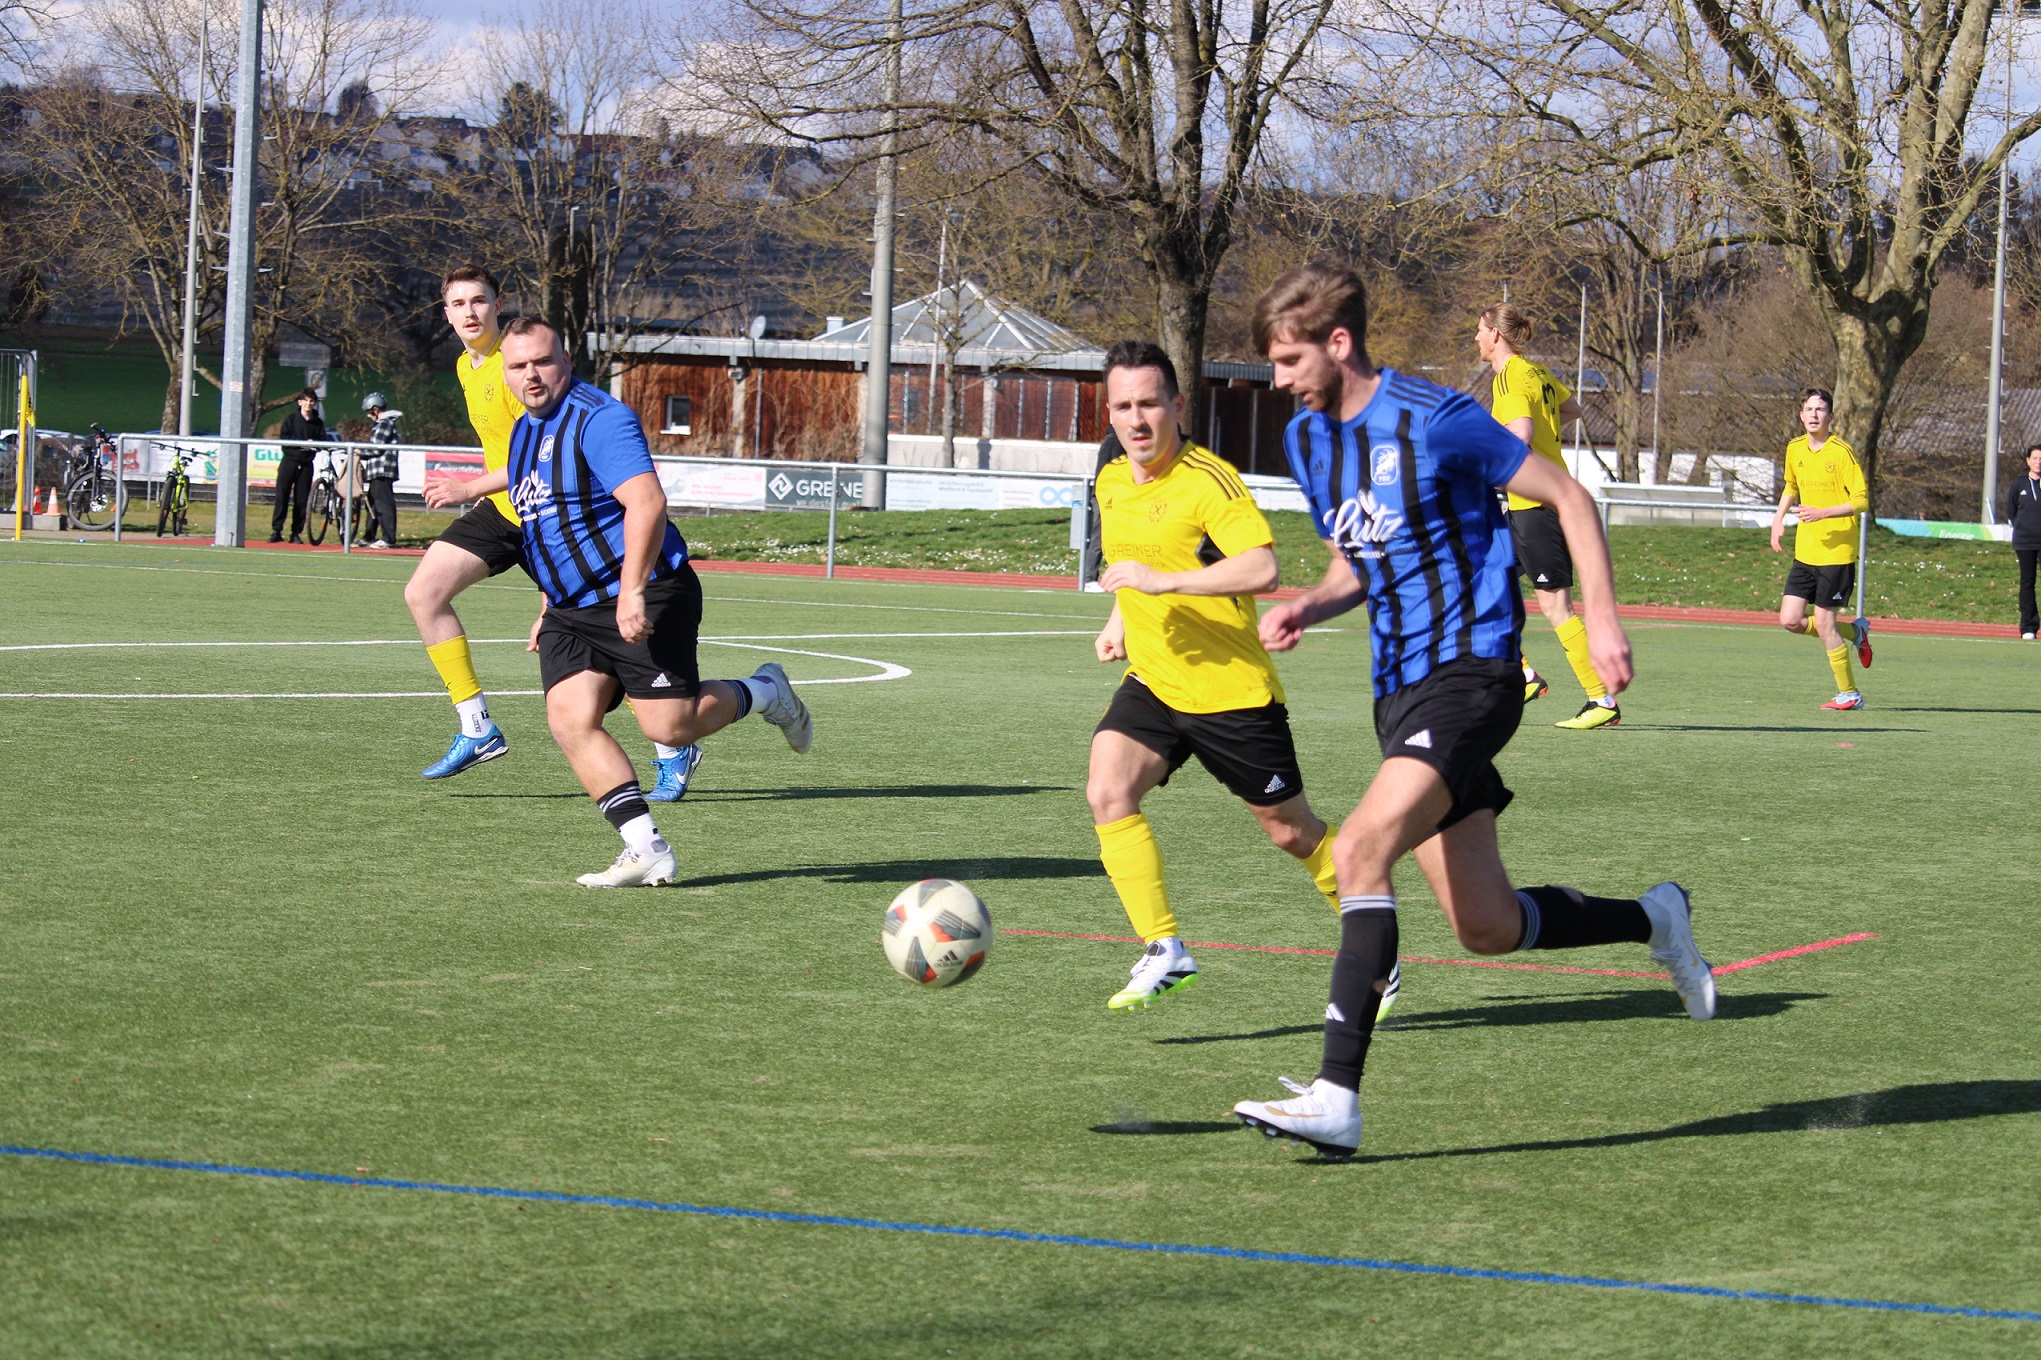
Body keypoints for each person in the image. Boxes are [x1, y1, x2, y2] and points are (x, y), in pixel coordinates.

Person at [1226, 263, 1714, 1158]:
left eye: (1289, 360)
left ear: (1338, 343)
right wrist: (1309, 604)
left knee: (1360, 849)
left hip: (1473, 674)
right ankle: (1655, 918)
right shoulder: (1307, 441)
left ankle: (1336, 1096)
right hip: (1397, 693)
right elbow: (1356, 562)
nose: (1279, 379)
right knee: (1486, 927)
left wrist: (1603, 618)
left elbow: (1570, 498)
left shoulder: (1437, 418)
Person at [1085, 339, 1395, 1016]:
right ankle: (1164, 948)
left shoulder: (1208, 480)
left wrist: (1160, 582)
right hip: (1156, 681)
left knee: (1291, 832)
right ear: (1108, 412)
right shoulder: (1110, 478)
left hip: (1231, 693)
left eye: (1149, 404)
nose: (1137, 419)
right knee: (1107, 790)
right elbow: (1132, 560)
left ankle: (1375, 943)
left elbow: (1262, 569)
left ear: (1177, 405)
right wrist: (1121, 617)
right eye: (1123, 406)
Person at [496, 317, 813, 885]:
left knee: (670, 729)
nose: (531, 375)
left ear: (566, 360)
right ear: (505, 372)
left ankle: (766, 691)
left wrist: (632, 591)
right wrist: (548, 602)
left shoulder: (600, 419)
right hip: (572, 607)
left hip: (643, 589)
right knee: (570, 720)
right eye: (519, 365)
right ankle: (646, 848)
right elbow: (547, 525)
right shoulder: (524, 430)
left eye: (542, 361)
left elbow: (647, 503)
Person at [413, 266, 701, 799]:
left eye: (479, 300)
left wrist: (467, 487)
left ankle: (672, 745)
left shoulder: (517, 365)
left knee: (607, 633)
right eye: (458, 303)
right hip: (505, 509)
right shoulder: (466, 367)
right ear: (446, 313)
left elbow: (543, 456)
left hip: (551, 511)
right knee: (424, 593)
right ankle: (477, 726)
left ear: (499, 305)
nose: (470, 312)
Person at [1476, 303, 1618, 729]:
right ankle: (1523, 675)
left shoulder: (1509, 377)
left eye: (1479, 330)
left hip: (1537, 505)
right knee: (1481, 583)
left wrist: (1486, 458)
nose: (1476, 338)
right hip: (1528, 503)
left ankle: (1602, 699)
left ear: (1495, 335)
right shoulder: (1536, 371)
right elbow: (1572, 409)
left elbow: (1519, 432)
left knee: (1556, 606)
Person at [1770, 388, 1873, 709]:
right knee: (1790, 620)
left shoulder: (1841, 452)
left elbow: (1861, 501)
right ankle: (1855, 633)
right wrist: (1777, 519)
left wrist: (1823, 513)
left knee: (1825, 623)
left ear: (1830, 417)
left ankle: (1850, 694)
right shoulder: (1794, 448)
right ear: (1801, 415)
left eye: (1820, 409)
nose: (1814, 414)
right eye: (1809, 409)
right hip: (1806, 552)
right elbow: (1791, 485)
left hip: (1837, 553)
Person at [269, 389, 325, 544]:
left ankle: (295, 533)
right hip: (289, 463)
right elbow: (284, 441)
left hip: (306, 465)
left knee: (301, 500)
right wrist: (299, 446)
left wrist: (314, 445)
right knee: (282, 496)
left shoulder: (318, 423)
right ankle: (276, 530)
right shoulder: (291, 419)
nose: (308, 404)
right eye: (305, 400)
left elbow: (322, 442)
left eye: (311, 401)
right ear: (300, 402)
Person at [2001, 444, 2041, 640]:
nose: (2038, 462)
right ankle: (2028, 627)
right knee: (2027, 583)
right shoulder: (2019, 483)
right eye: (2035, 458)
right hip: (2025, 542)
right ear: (2028, 461)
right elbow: (2011, 511)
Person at [359, 392, 401, 550]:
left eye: (369, 412)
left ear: (375, 409)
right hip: (376, 471)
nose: (368, 416)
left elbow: (376, 447)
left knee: (383, 504)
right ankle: (369, 535)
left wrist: (359, 452)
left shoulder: (384, 423)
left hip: (382, 471)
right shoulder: (382, 423)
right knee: (372, 504)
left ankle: (389, 538)